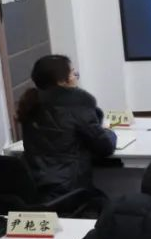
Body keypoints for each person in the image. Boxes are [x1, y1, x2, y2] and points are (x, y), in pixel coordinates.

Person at [17, 54, 117, 201]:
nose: (75, 76)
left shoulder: (31, 103)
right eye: (72, 73)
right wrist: (110, 133)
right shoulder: (77, 105)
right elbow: (105, 147)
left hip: (34, 188)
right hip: (69, 190)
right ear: (61, 81)